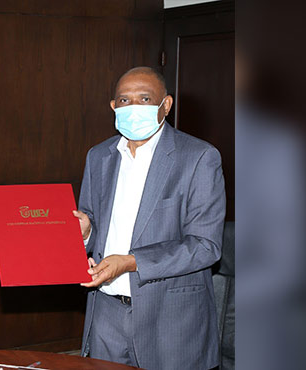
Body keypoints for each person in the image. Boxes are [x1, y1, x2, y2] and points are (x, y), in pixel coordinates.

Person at [73, 66, 225, 369]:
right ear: (114, 107)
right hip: (106, 312)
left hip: (170, 319)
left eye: (144, 99)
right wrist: (86, 232)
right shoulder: (99, 156)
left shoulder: (198, 157)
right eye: (125, 101)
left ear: (165, 105)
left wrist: (131, 261)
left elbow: (205, 246)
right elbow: (92, 222)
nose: (134, 108)